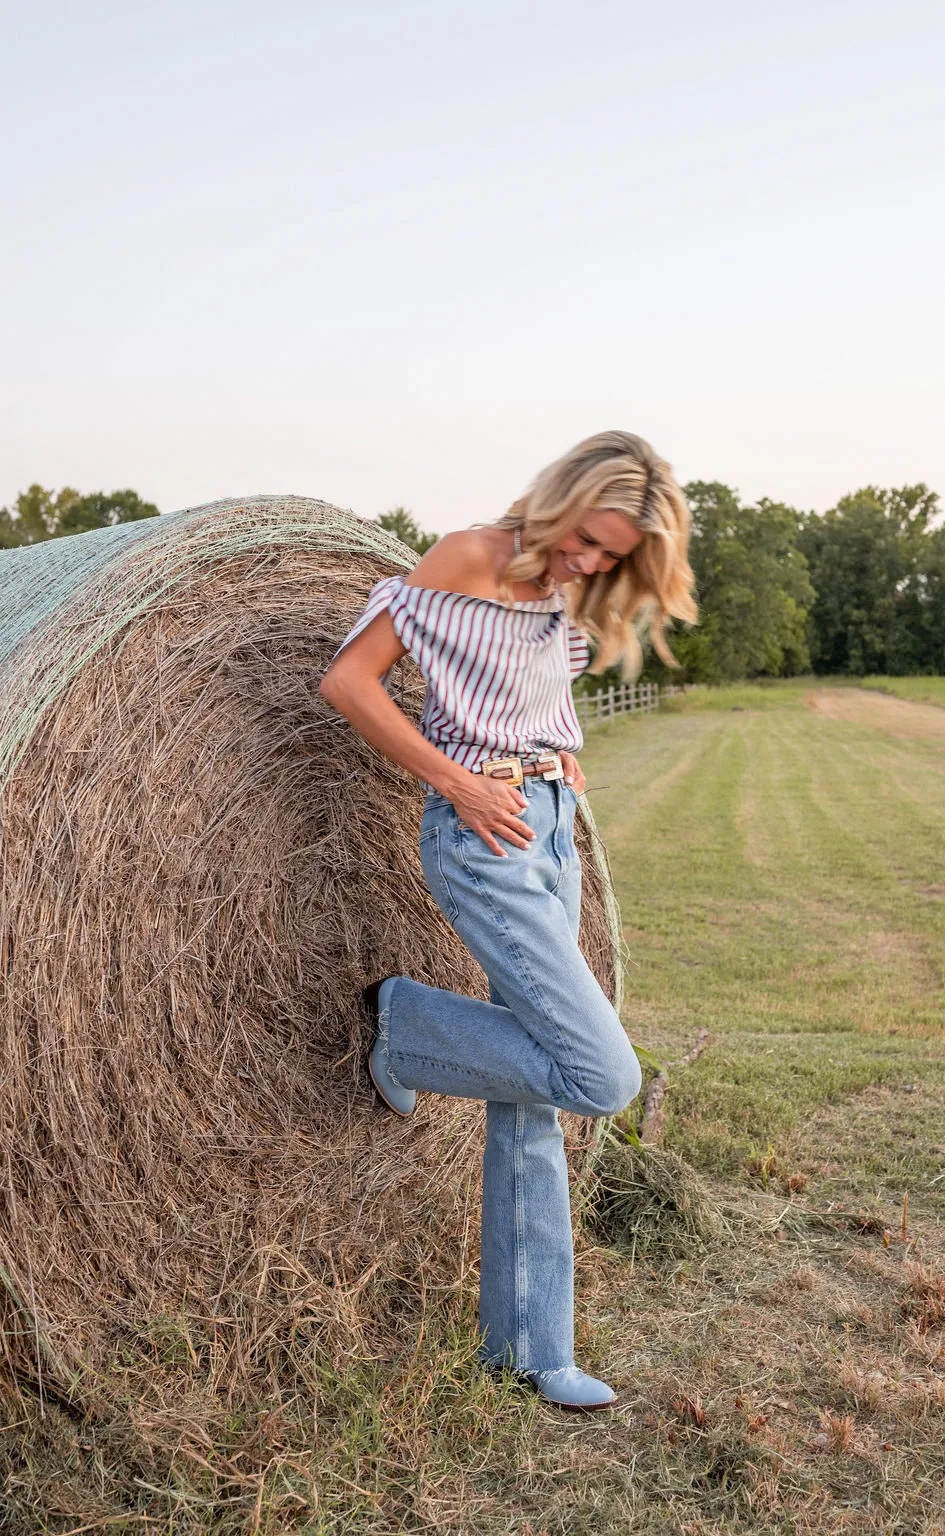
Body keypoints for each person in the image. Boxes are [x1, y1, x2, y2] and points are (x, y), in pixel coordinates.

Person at [319, 430, 697, 1411]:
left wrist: (556, 755)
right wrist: (456, 779)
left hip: (550, 828)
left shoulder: (567, 589)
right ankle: (405, 1027)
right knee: (600, 1073)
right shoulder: (468, 557)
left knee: (530, 1098)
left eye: (610, 558)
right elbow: (350, 680)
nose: (587, 564)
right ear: (559, 498)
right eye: (585, 540)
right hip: (479, 833)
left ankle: (528, 1348)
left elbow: (522, 691)